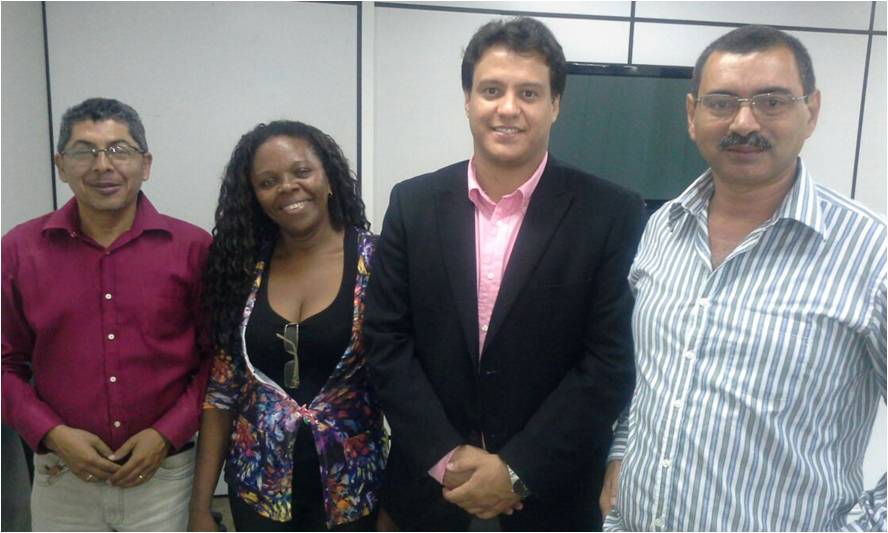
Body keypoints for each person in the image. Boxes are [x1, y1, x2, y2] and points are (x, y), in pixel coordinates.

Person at [364, 17, 646, 531]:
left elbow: (609, 361)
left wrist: (517, 470)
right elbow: (386, 340)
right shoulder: (413, 203)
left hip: (552, 495)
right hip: (429, 490)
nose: (508, 108)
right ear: (468, 100)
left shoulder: (612, 213)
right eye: (491, 90)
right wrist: (445, 458)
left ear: (555, 104)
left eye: (529, 93)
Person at [601, 25, 886, 531]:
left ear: (811, 111)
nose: (744, 122)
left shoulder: (872, 253)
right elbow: (650, 378)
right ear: (693, 115)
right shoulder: (661, 230)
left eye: (771, 102)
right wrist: (620, 454)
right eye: (722, 102)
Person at [1, 97, 212, 531]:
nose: (102, 165)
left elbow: (218, 361)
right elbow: (4, 362)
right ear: (61, 165)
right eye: (84, 151)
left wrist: (166, 433)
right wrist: (52, 433)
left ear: (145, 164)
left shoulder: (193, 249)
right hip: (61, 477)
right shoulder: (19, 251)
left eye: (119, 150)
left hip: (166, 477)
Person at [187, 121, 387, 532]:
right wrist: (200, 506)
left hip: (353, 493)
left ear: (328, 178)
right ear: (254, 196)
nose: (287, 188)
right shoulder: (242, 269)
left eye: (301, 171)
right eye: (268, 181)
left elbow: (404, 386)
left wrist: (399, 506)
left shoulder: (379, 263)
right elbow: (222, 393)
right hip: (258, 493)